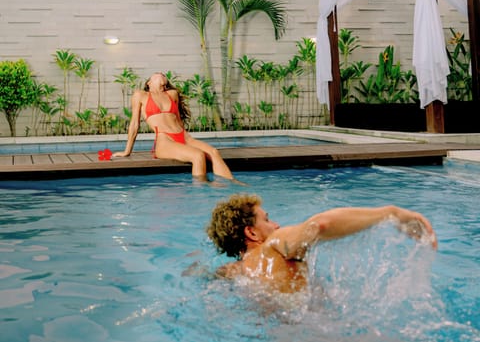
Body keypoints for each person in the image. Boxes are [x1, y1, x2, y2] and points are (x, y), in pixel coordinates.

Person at [206, 193, 437, 294]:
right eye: (266, 220)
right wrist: (391, 213)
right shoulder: (274, 245)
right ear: (252, 233)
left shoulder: (234, 270)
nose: (276, 225)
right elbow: (320, 225)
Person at [113, 72, 235, 181]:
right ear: (149, 82)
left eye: (163, 75)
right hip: (165, 140)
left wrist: (186, 137)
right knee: (197, 155)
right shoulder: (140, 95)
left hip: (183, 136)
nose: (160, 73)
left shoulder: (172, 94)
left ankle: (232, 185)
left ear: (165, 84)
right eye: (156, 74)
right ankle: (202, 190)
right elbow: (134, 124)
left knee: (214, 152)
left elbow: (177, 119)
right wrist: (127, 151)